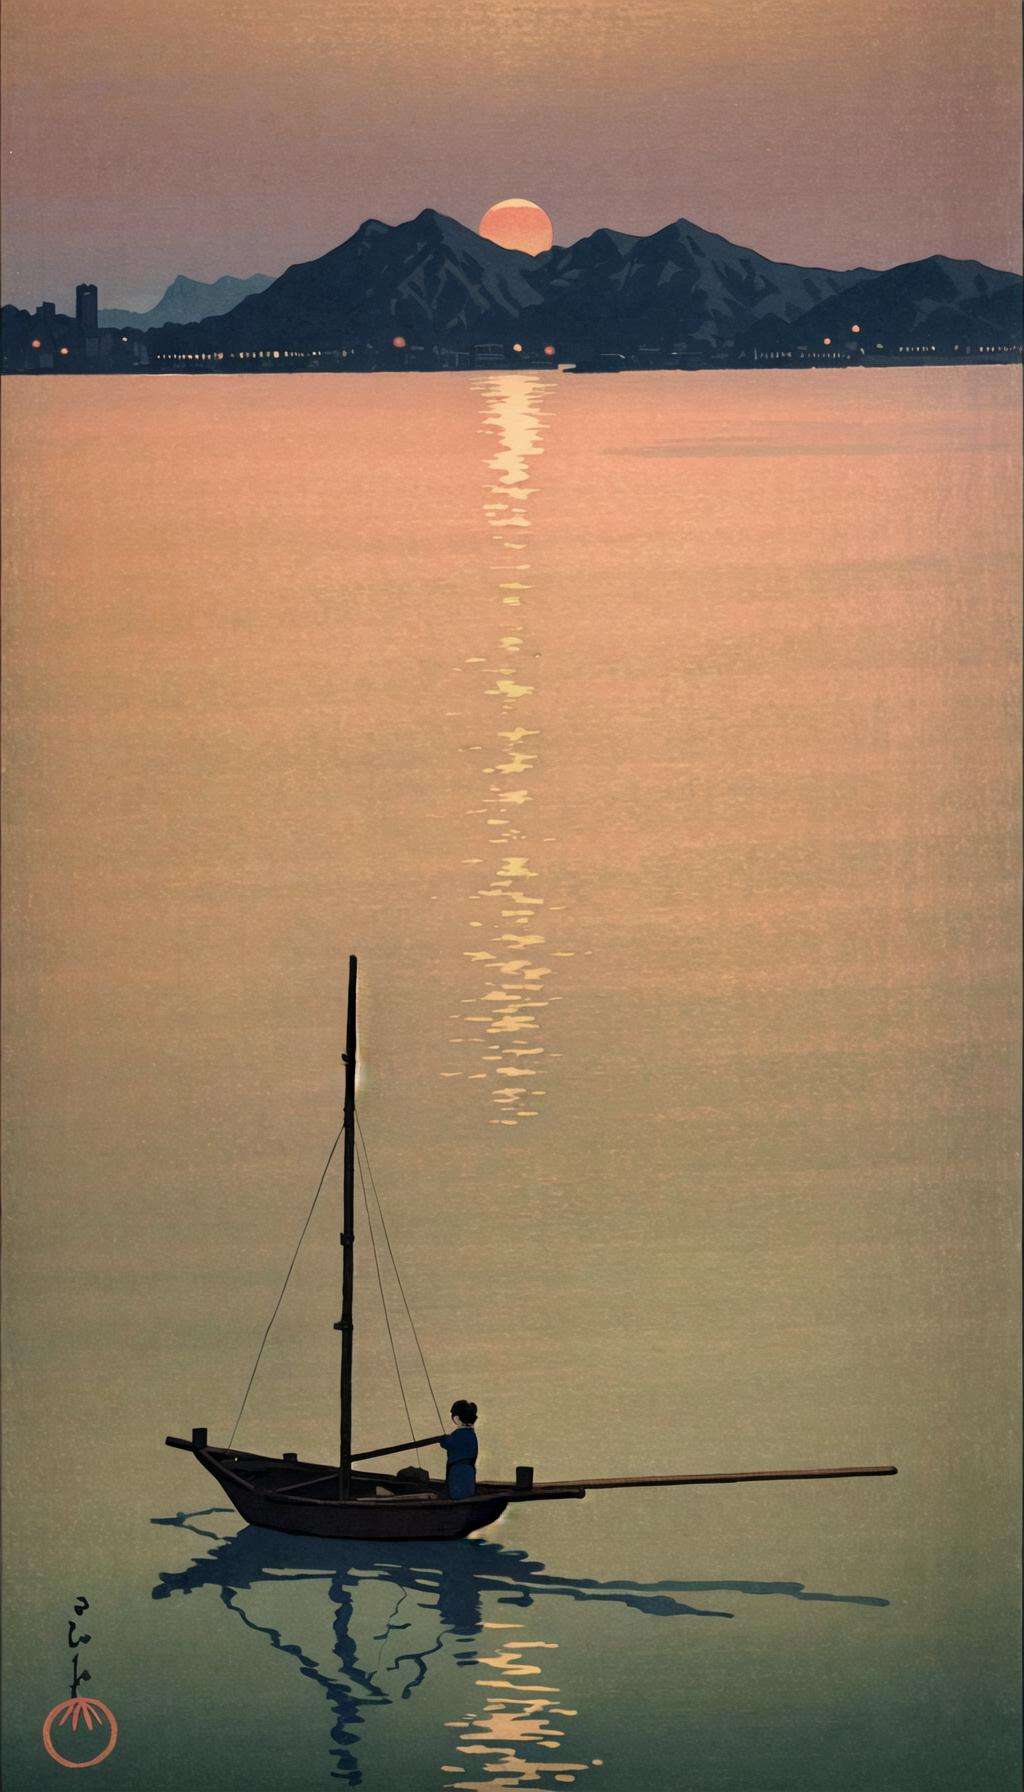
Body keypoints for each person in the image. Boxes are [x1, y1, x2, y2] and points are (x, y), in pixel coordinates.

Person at [440, 1400, 478, 1499]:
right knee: (467, 1491)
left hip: (457, 1470)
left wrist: (443, 1439)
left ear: (456, 1418)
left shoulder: (458, 1434)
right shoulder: (471, 1434)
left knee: (456, 1492)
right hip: (469, 1469)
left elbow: (448, 1443)